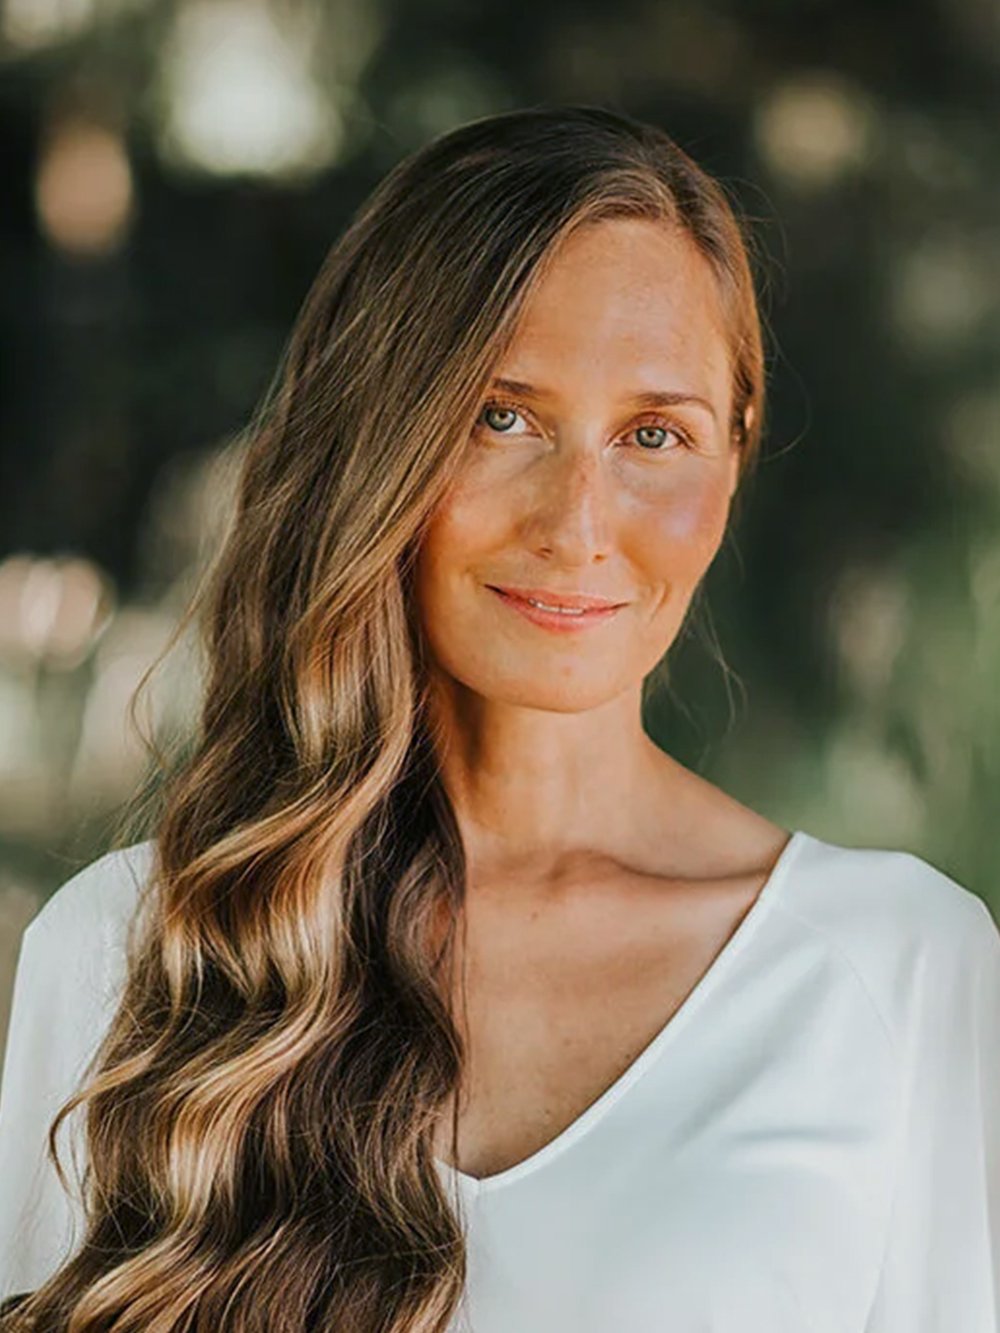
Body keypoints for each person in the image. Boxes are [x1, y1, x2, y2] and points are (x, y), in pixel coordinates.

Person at [0, 103, 997, 1333]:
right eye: (501, 416)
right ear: (376, 438)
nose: (577, 520)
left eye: (653, 433)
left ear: (733, 460)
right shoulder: (125, 952)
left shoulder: (902, 969)